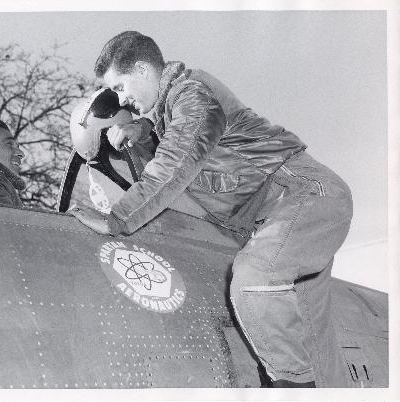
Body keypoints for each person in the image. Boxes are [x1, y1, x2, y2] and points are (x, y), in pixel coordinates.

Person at [71, 31, 353, 388]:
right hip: (291, 210)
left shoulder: (193, 94)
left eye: (121, 87)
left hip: (304, 195)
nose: (123, 98)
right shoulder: (177, 108)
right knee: (315, 347)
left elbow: (177, 160)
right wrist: (141, 131)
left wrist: (117, 219)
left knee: (254, 280)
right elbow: (183, 139)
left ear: (142, 70)